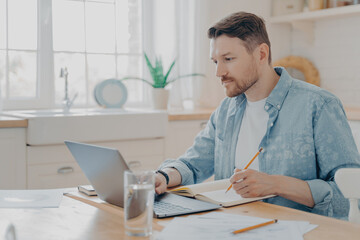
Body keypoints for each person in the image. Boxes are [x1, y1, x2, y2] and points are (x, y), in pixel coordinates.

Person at [155, 12, 360, 219]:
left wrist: (277, 184)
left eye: (228, 59)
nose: (219, 72)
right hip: (232, 227)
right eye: (216, 62)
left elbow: (350, 196)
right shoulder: (226, 111)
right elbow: (192, 164)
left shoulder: (319, 105)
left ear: (261, 54)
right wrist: (163, 176)